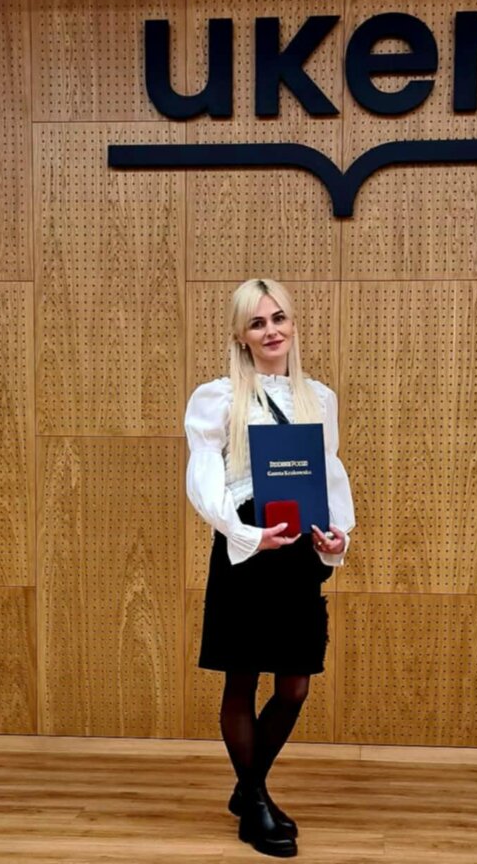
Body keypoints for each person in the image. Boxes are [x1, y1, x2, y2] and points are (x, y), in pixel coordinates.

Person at [184, 278, 356, 858]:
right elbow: (204, 476)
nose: (271, 330)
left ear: (292, 324)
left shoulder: (320, 398)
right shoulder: (218, 397)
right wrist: (244, 534)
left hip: (299, 547)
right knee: (242, 678)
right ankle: (256, 803)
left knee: (295, 685)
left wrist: (338, 535)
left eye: (278, 318)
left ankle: (248, 788)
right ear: (241, 335)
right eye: (257, 323)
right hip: (248, 546)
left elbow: (329, 472)